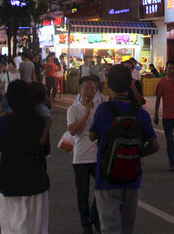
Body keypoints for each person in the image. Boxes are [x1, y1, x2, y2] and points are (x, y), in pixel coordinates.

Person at [89, 63, 159, 234]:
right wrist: (135, 154)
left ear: (108, 84)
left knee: (110, 227)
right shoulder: (140, 113)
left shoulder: (104, 110)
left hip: (106, 177)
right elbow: (155, 145)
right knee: (127, 228)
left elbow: (92, 135)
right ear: (130, 84)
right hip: (133, 177)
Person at [0, 80, 50, 233]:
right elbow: (46, 149)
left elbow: (1, 147)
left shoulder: (5, 122)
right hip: (36, 180)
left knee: (11, 225)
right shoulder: (40, 121)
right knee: (36, 226)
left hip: (10, 180)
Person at [67, 75, 102, 234]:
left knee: (102, 190)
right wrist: (86, 113)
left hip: (98, 157)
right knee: (83, 194)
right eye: (86, 89)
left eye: (92, 89)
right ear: (80, 91)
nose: (89, 92)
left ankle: (95, 215)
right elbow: (73, 131)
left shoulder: (101, 109)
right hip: (80, 157)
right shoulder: (73, 109)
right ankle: (86, 225)